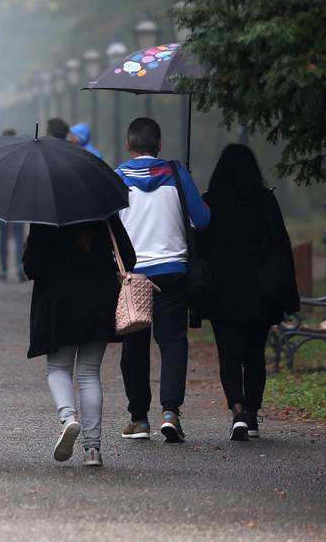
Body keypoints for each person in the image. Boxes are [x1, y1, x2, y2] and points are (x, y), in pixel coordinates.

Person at [114, 117, 210, 442]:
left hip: (134, 275)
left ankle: (139, 419)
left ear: (129, 145)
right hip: (173, 271)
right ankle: (171, 411)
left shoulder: (117, 179)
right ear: (159, 145)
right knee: (172, 342)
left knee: (135, 346)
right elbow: (204, 220)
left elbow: (108, 229)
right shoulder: (177, 173)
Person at [198, 144, 299, 440]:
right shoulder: (266, 201)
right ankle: (253, 414)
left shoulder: (210, 202)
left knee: (228, 354)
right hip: (259, 289)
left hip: (222, 290)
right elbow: (280, 244)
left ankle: (238, 410)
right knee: (255, 354)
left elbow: (200, 246)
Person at [22, 213, 135, 467]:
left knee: (58, 368)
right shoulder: (103, 210)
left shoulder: (45, 213)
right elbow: (129, 258)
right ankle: (92, 449)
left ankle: (69, 417)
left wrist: (29, 246)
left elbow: (32, 268)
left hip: (58, 301)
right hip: (98, 300)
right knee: (89, 373)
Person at [0, 128, 26, 281]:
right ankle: (20, 267)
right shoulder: (22, 156)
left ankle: (3, 269)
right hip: (19, 203)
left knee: (3, 237)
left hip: (2, 203)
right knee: (19, 236)